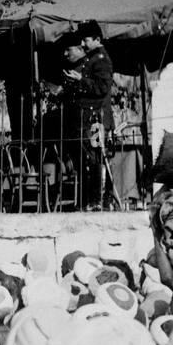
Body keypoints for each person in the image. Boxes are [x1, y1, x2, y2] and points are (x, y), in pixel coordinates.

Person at [59, 23, 114, 210]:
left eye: (86, 40)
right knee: (85, 162)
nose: (83, 43)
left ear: (97, 39)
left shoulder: (101, 60)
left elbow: (102, 88)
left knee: (95, 160)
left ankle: (95, 201)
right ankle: (85, 201)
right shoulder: (90, 59)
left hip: (95, 120)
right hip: (84, 120)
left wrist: (80, 80)